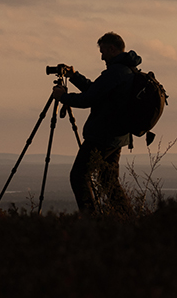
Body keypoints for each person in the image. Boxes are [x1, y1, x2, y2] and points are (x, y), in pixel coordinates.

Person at [51, 32, 136, 215]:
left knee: (78, 176)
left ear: (112, 49)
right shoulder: (125, 70)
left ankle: (92, 224)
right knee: (109, 182)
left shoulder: (115, 72)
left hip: (102, 136)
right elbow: (96, 91)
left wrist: (63, 96)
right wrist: (74, 76)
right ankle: (127, 219)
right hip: (117, 138)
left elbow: (88, 99)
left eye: (103, 51)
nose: (101, 56)